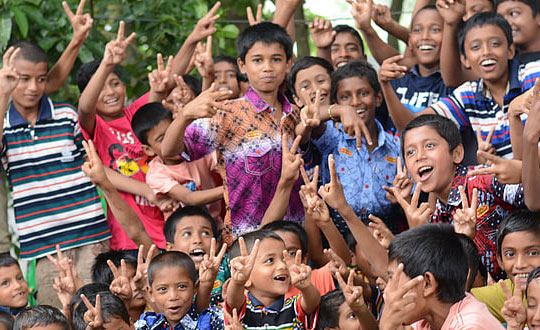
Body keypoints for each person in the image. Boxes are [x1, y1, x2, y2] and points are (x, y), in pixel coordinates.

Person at [160, 22, 312, 242]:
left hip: (295, 236)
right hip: (246, 241)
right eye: (258, 60)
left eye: (276, 59)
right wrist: (185, 116)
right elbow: (169, 152)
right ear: (242, 65)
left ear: (289, 64)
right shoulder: (227, 114)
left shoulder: (296, 114)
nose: (267, 67)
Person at [0, 42, 110, 307]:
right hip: (46, 247)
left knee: (98, 313)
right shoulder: (3, 123)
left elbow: (91, 163)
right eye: (22, 79)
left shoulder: (66, 115)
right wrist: (3, 94)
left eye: (41, 79)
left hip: (90, 233)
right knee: (56, 316)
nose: (32, 87)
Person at [397, 114, 529, 280]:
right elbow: (448, 282)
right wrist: (420, 232)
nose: (419, 156)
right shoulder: (435, 215)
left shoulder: (483, 179)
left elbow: (533, 198)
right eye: (410, 152)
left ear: (457, 153)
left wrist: (523, 171)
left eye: (429, 146)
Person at [379, 223, 504, 330]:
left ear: (427, 283)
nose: (387, 292)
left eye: (392, 278)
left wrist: (386, 327)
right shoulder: (427, 319)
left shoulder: (470, 325)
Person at [131, 102, 223, 222]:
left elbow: (226, 163)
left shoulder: (198, 150)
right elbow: (189, 198)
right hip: (183, 234)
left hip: (217, 222)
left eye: (174, 133)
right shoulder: (157, 174)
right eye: (162, 139)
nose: (173, 141)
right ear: (148, 150)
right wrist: (230, 189)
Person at [224, 230, 320, 329]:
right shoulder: (242, 310)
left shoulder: (294, 306)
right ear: (247, 279)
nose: (282, 265)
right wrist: (238, 282)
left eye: (284, 259)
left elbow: (312, 302)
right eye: (270, 260)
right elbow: (233, 301)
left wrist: (306, 288)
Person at [470, 210, 540, 322]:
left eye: (532, 253)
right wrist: (464, 238)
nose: (520, 264)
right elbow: (452, 300)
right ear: (500, 261)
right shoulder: (506, 293)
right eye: (510, 254)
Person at [137, 251, 224, 330]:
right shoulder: (148, 325)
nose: (173, 296)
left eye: (181, 287)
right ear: (151, 293)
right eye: (163, 289)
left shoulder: (212, 321)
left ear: (195, 288)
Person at [163, 205, 229, 308]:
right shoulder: (166, 277)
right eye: (187, 234)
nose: (197, 240)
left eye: (205, 233)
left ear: (216, 244)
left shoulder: (227, 267)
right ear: (171, 248)